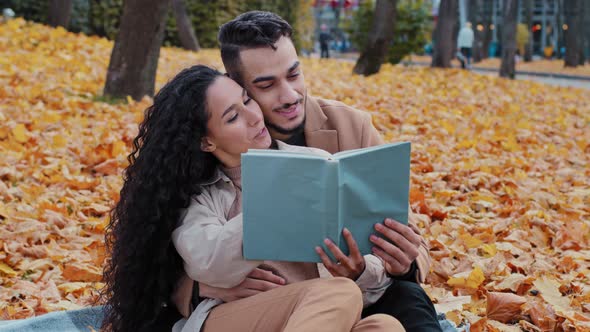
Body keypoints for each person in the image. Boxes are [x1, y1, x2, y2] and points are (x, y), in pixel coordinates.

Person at [176, 11, 442, 332]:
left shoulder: (351, 126)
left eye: (294, 74)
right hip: (258, 305)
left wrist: (404, 262)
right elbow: (162, 250)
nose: (289, 96)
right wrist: (198, 289)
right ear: (237, 88)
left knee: (403, 305)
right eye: (265, 85)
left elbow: (407, 234)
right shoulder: (209, 147)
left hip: (356, 291)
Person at [102, 65, 404, 332]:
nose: (253, 116)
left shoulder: (316, 162)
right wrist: (276, 201)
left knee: (384, 325)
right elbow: (211, 263)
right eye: (233, 117)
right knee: (340, 293)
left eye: (247, 100)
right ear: (207, 141)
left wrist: (360, 270)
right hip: (233, 319)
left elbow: (371, 281)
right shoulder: (201, 196)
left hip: (315, 314)